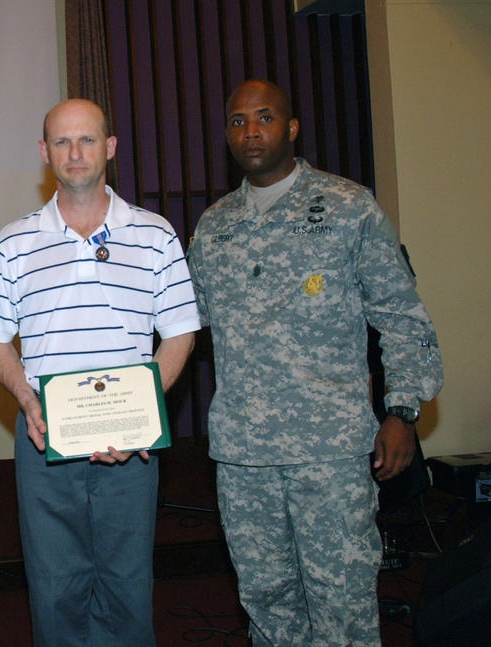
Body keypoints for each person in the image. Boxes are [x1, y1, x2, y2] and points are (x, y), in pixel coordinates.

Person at [187, 79, 444, 646]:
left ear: (292, 127)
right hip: (243, 456)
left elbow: (402, 317)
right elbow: (180, 326)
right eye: (237, 121)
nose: (251, 131)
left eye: (265, 117)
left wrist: (401, 410)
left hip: (330, 452)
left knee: (343, 603)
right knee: (266, 601)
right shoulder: (214, 226)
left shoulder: (349, 208)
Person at [0, 99, 200, 646]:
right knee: (54, 593)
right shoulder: (13, 242)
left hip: (131, 447)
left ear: (111, 147)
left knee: (128, 590)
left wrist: (140, 415)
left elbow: (180, 333)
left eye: (87, 140)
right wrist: (27, 400)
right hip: (45, 440)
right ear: (43, 152)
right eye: (62, 141)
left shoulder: (156, 235)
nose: (75, 153)